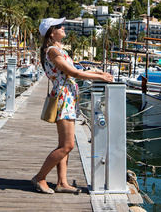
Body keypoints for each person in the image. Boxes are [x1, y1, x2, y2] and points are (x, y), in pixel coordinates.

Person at [31, 17, 113, 194]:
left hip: (69, 96)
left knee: (63, 144)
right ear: (51, 32)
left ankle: (62, 182)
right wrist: (100, 77)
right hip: (64, 97)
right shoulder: (52, 50)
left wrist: (98, 71)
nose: (63, 27)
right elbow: (72, 72)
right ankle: (40, 177)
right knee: (68, 145)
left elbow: (76, 69)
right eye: (59, 26)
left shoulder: (58, 49)